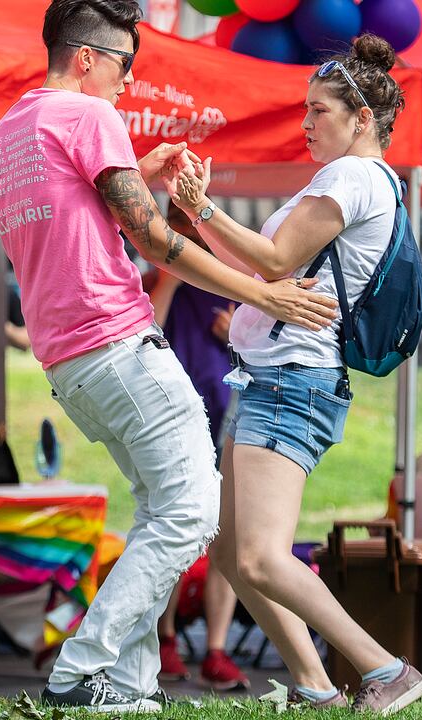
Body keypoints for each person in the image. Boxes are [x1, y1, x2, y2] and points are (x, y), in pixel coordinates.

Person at [0, 0, 336, 712]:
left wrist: (135, 170)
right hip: (116, 341)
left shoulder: (6, 133)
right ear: (87, 58)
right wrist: (267, 295)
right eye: (124, 65)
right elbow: (153, 241)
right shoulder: (88, 115)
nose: (129, 83)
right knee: (195, 510)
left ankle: (127, 686)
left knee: (159, 510)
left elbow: (76, 214)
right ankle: (83, 668)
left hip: (68, 360)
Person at [165, 34, 422, 714]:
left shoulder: (352, 177)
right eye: (305, 110)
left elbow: (276, 260)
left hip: (289, 381)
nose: (306, 124)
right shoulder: (367, 181)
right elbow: (276, 267)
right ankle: (317, 688)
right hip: (272, 379)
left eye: (319, 111)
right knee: (231, 556)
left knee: (257, 557)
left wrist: (200, 206)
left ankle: (384, 670)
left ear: (360, 118)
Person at [149, 204, 248, 692]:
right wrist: (169, 262)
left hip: (229, 419)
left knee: (225, 533)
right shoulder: (163, 270)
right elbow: (146, 326)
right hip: (175, 421)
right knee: (175, 527)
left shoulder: (231, 273)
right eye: (180, 222)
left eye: (196, 220)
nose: (191, 232)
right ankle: (164, 638)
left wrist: (238, 336)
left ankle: (216, 648)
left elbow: (263, 340)